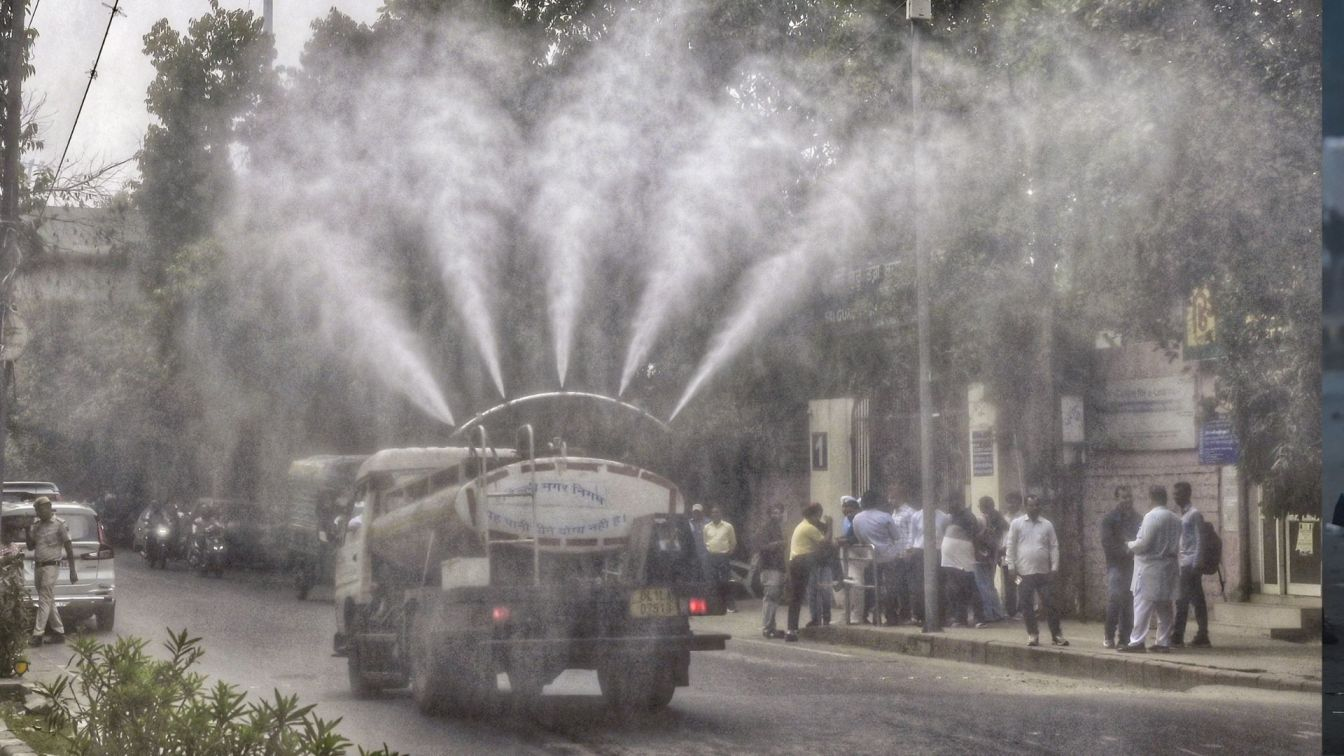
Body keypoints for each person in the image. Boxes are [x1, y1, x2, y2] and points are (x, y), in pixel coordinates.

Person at [1119, 485, 1183, 653]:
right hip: (1169, 566)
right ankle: (1163, 642)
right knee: (1165, 606)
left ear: (1151, 498)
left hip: (1149, 567)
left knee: (1142, 605)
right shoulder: (1176, 519)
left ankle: (1137, 641)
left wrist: (1129, 544)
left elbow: (1144, 543)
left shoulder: (1151, 517)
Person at [1005, 494, 1067, 647]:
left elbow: (1054, 546)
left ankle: (1056, 635)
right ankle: (1032, 634)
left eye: (1037, 505)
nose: (1034, 508)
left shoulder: (1047, 525)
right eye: (1031, 505)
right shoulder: (1017, 524)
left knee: (1050, 603)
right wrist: (1011, 567)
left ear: (1040, 507)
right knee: (1026, 603)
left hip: (1043, 573)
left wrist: (1054, 567)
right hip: (1022, 573)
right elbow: (1010, 546)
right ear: (1025, 507)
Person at [27, 497, 76, 646]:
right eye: (37, 510)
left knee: (44, 599)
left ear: (49, 507)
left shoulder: (59, 524)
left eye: (41, 509)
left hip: (51, 566)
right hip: (38, 566)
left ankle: (38, 634)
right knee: (49, 599)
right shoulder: (37, 526)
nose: (39, 513)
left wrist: (72, 570)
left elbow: (68, 547)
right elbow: (30, 546)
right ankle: (59, 632)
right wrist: (27, 529)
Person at [852, 489, 906, 625]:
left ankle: (869, 613)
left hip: (870, 557)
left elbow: (860, 538)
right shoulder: (885, 517)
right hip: (889, 557)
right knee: (890, 587)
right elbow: (896, 537)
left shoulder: (857, 519)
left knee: (871, 586)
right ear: (877, 501)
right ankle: (890, 616)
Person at [1100, 485, 1142, 648]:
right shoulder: (1110, 519)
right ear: (1117, 499)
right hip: (1116, 564)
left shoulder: (1138, 518)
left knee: (1129, 601)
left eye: (1129, 496)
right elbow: (1107, 543)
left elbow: (1141, 538)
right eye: (1124, 497)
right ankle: (1109, 635)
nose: (1127, 500)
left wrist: (1130, 546)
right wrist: (1126, 549)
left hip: (1133, 564)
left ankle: (1124, 638)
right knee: (1115, 598)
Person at [1171, 481, 1212, 648]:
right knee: (1197, 599)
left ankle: (1177, 636)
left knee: (1182, 600)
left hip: (1191, 563)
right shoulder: (1180, 514)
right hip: (1183, 562)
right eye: (1174, 494)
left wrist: (1197, 563)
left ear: (1187, 494)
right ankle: (1203, 635)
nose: (1175, 497)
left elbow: (1200, 539)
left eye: (1178, 493)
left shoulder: (1194, 514)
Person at [785, 503, 829, 642]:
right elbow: (826, 542)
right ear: (813, 515)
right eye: (818, 516)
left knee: (796, 596)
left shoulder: (801, 525)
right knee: (798, 596)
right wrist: (830, 525)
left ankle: (792, 628)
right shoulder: (809, 528)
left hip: (796, 561)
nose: (819, 519)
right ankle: (792, 629)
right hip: (802, 560)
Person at [940, 496, 983, 628]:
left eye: (950, 502)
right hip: (949, 558)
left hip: (963, 557)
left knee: (970, 587)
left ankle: (979, 618)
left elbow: (975, 536)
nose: (948, 505)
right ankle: (960, 618)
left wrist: (977, 554)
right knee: (955, 589)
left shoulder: (968, 517)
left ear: (958, 502)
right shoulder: (949, 517)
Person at [755, 504, 789, 639]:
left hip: (778, 566)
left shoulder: (778, 528)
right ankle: (767, 627)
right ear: (770, 515)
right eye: (774, 513)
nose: (777, 515)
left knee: (774, 598)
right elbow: (761, 546)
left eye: (779, 513)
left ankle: (771, 627)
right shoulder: (765, 528)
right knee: (771, 596)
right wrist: (778, 544)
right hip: (769, 567)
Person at [973, 496, 1008, 625]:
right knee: (990, 585)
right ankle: (998, 612)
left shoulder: (981, 519)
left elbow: (976, 537)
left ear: (982, 507)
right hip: (992, 555)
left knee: (982, 586)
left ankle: (988, 614)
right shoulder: (998, 519)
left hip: (980, 556)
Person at [837, 496, 870, 624]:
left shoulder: (859, 520)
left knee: (857, 585)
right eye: (845, 512)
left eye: (850, 511)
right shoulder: (849, 521)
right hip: (850, 556)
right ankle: (847, 614)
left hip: (860, 556)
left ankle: (857, 614)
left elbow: (855, 538)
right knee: (848, 586)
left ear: (857, 510)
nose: (848, 515)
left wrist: (843, 541)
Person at [703, 506, 738, 613]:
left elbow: (733, 542)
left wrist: (728, 553)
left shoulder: (728, 526)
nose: (715, 514)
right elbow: (705, 541)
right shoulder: (706, 527)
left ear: (721, 514)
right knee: (712, 582)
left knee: (725, 581)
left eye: (717, 512)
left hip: (723, 556)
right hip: (711, 557)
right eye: (713, 512)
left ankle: (730, 605)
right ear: (711, 514)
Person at [1001, 492, 1023, 618]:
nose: (1011, 505)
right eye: (1009, 502)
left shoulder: (1023, 519)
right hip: (1006, 557)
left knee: (1019, 582)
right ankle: (1010, 611)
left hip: (1019, 557)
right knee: (1009, 583)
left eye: (1014, 502)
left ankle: (1021, 609)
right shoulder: (1003, 518)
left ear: (1019, 504)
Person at [689, 503, 711, 580]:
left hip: (706, 551)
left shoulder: (708, 522)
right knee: (694, 570)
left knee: (706, 570)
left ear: (702, 512)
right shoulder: (689, 523)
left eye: (698, 512)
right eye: (694, 512)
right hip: (694, 551)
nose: (696, 514)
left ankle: (708, 584)